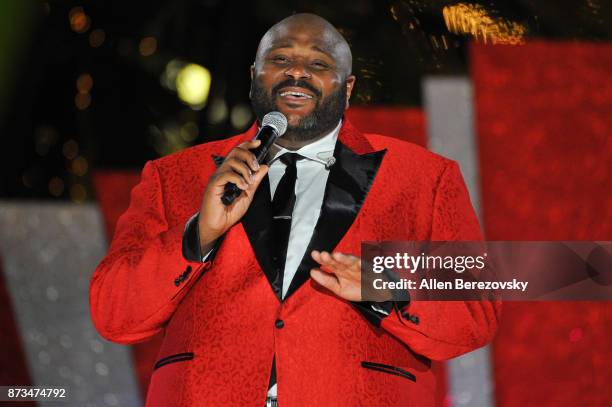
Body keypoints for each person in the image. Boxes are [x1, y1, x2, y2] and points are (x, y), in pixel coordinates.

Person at [90, 13, 499, 407]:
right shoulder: (176, 174)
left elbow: (474, 310)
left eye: (318, 63)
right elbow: (114, 313)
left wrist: (386, 287)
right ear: (254, 75)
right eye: (280, 59)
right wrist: (199, 235)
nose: (297, 72)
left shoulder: (423, 178)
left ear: (348, 87)